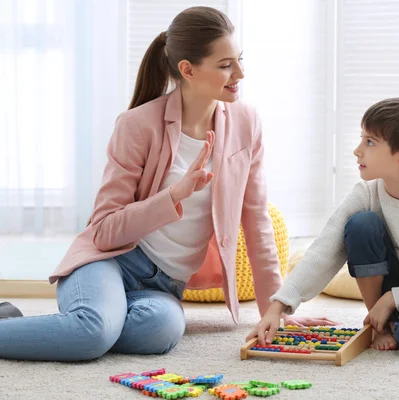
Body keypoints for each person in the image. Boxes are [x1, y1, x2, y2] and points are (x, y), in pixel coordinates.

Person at [0, 6, 333, 362]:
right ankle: (86, 325)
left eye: (239, 60)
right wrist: (173, 195)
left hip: (165, 286)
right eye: (225, 65)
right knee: (93, 334)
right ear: (188, 70)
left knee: (160, 332)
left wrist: (276, 310)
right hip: (111, 261)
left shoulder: (246, 122)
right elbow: (102, 232)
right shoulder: (137, 125)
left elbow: (256, 220)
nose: (240, 73)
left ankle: (56, 326)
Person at [247, 97, 399, 355]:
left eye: (370, 142)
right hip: (389, 282)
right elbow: (326, 247)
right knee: (361, 224)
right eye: (361, 138)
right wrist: (277, 307)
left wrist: (394, 299)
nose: (357, 150)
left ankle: (395, 318)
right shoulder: (366, 193)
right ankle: (379, 324)